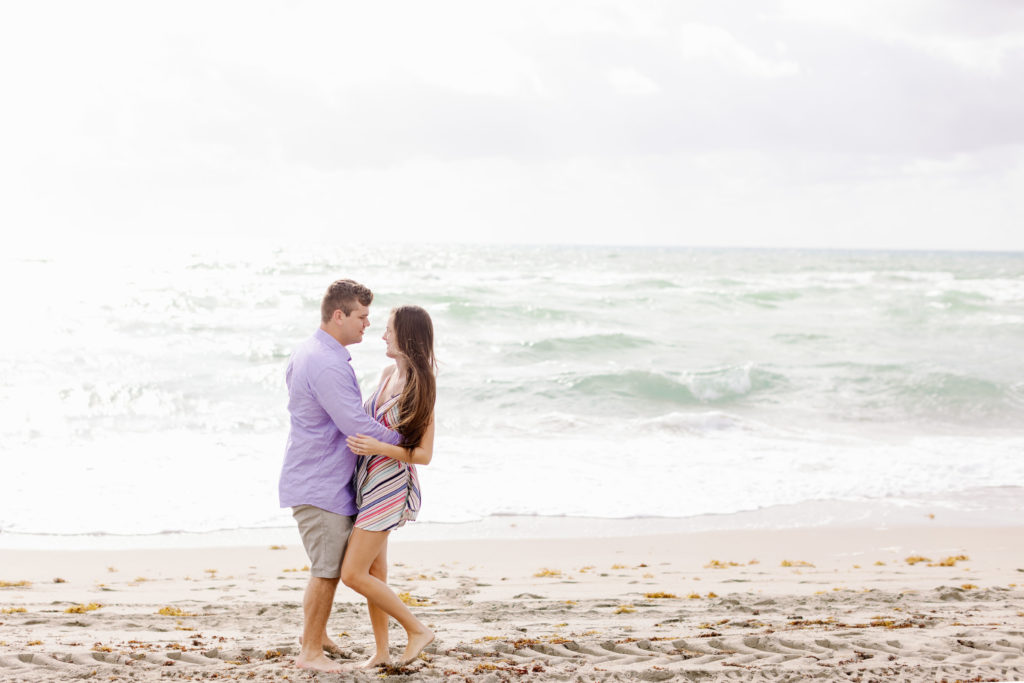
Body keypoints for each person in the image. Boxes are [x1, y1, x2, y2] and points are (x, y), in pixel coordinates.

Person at [278, 279, 403, 674]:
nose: (368, 324)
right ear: (339, 315)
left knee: (326, 565)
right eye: (362, 317)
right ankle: (310, 653)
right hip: (320, 484)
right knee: (327, 571)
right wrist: (406, 445)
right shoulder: (327, 362)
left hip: (317, 478)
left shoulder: (310, 351)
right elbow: (355, 424)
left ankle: (316, 637)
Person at [342, 305, 437, 668]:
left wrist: (379, 448)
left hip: (390, 486)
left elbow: (424, 454)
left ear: (407, 336)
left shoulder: (422, 383)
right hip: (367, 481)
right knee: (376, 574)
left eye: (389, 330)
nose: (382, 335)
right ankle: (381, 652)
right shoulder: (386, 374)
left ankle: (417, 630)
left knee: (353, 574)